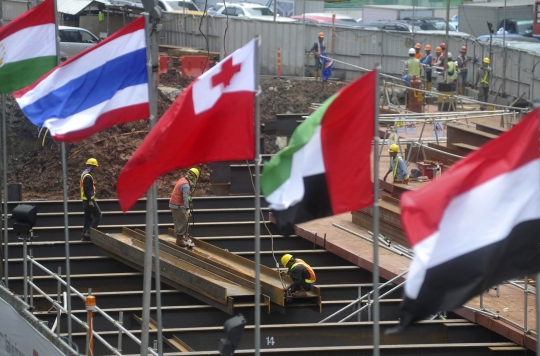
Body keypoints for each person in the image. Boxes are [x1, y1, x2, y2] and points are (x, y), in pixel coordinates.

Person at [170, 168, 199, 247]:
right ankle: (179, 240)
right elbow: (185, 197)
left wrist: (189, 203)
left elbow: (185, 195)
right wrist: (187, 209)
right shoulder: (186, 185)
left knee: (178, 222)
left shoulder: (182, 180)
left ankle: (181, 237)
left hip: (173, 204)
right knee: (184, 222)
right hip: (177, 205)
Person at [81, 158, 102, 241]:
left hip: (85, 200)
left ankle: (84, 236)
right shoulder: (88, 177)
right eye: (95, 166)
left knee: (87, 218)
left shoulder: (84, 175)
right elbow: (87, 188)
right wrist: (90, 200)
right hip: (88, 200)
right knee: (98, 215)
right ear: (92, 166)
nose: (95, 168)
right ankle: (89, 232)